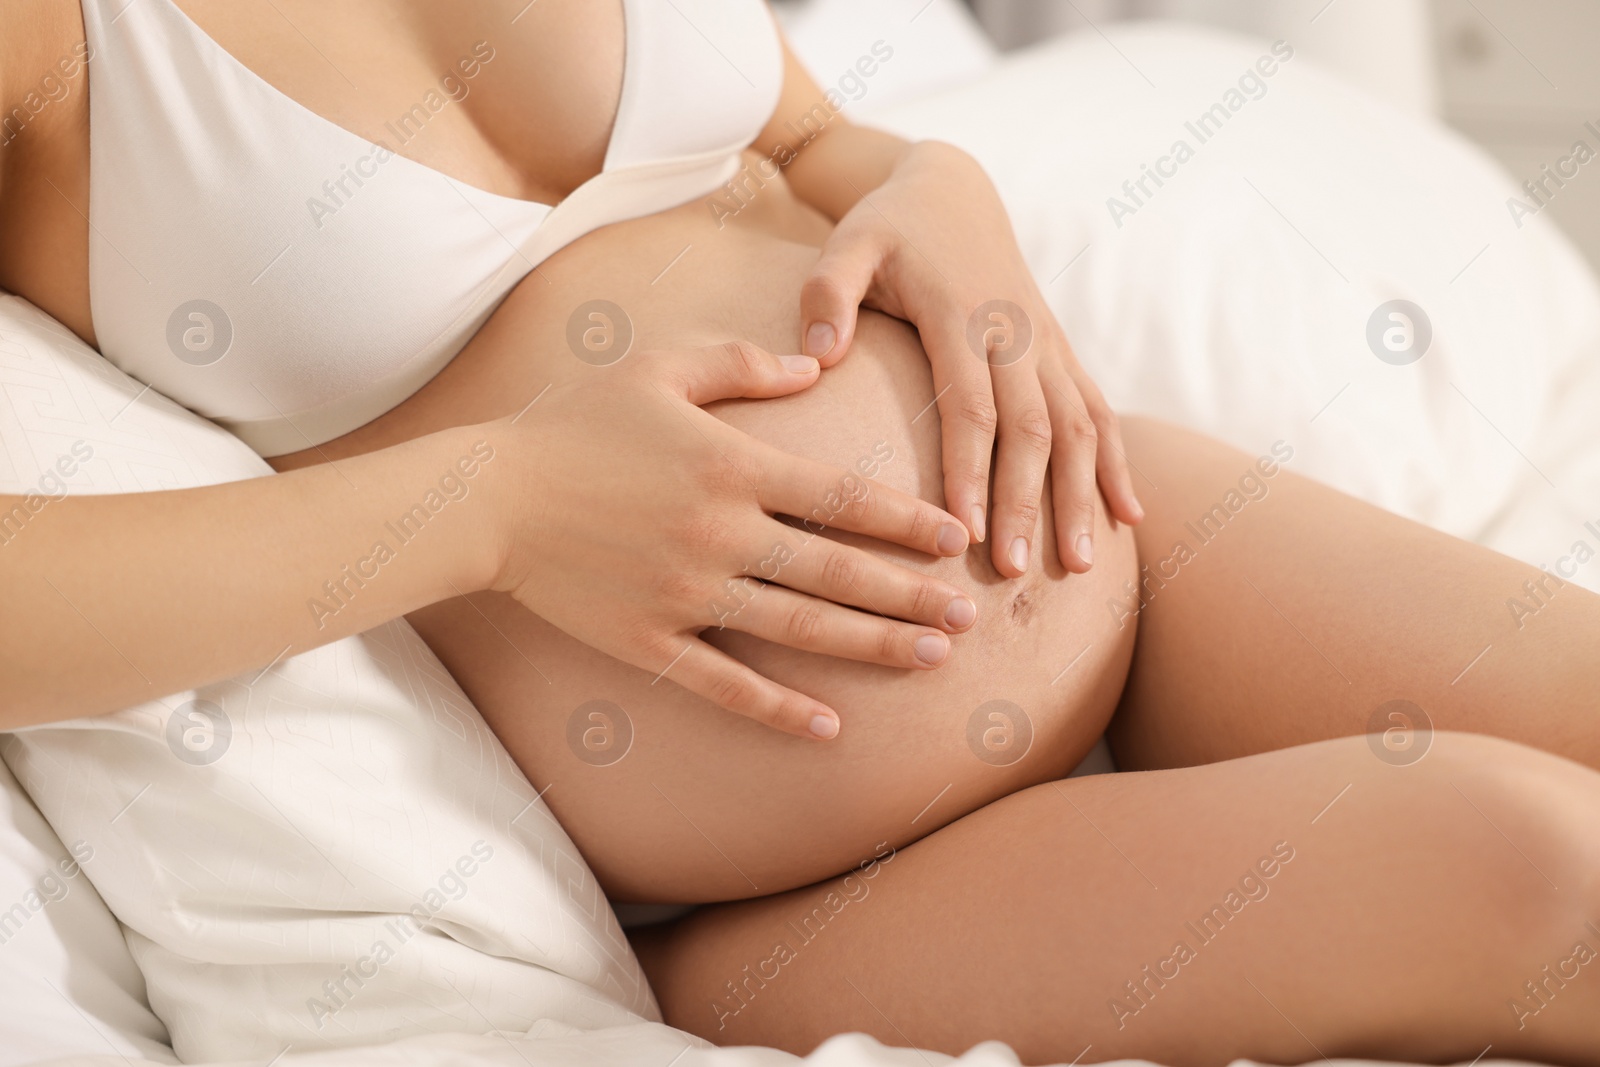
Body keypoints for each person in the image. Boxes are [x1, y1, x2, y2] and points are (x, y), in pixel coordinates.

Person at [1, 1, 1597, 1063]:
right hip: (774, 897)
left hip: (1118, 538)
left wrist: (930, 178)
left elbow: (804, 130)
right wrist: (491, 504)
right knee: (1544, 876)